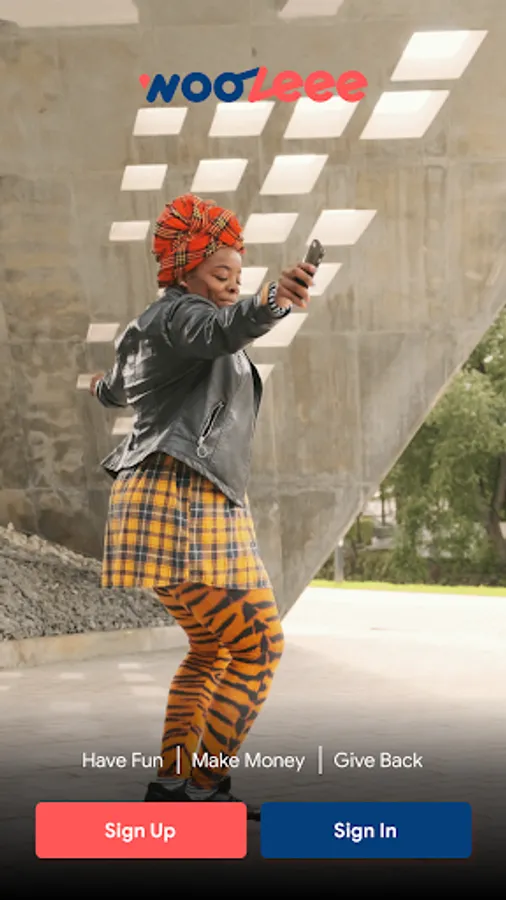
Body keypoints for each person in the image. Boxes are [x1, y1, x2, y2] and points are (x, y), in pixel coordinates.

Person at [89, 193, 315, 820]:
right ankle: (205, 790)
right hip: (187, 498)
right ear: (185, 271)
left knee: (213, 649)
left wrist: (99, 387)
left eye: (238, 275)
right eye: (220, 273)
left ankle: (171, 785)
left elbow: (116, 387)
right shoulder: (183, 318)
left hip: (157, 497)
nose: (231, 284)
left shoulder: (152, 329)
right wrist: (269, 303)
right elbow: (221, 329)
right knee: (260, 646)